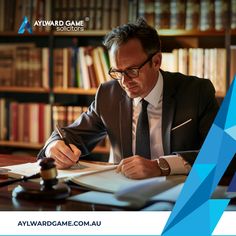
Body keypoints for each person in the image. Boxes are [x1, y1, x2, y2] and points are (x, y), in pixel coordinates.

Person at [38, 18, 219, 179]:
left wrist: (160, 166)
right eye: (117, 72)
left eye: (132, 71)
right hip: (119, 193)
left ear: (156, 61)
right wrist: (53, 146)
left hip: (179, 194)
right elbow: (71, 135)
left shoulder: (197, 92)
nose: (124, 82)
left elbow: (222, 153)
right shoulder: (108, 94)